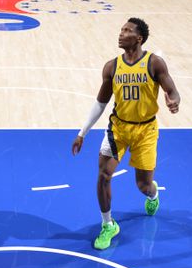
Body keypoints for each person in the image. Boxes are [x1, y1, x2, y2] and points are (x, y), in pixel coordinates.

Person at [71, 18, 180, 250]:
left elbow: (172, 91)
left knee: (143, 184)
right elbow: (101, 102)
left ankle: (152, 195)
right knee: (103, 175)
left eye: (127, 31)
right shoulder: (112, 67)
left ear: (139, 38)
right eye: (121, 29)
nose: (121, 33)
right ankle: (108, 224)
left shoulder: (154, 63)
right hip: (118, 128)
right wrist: (82, 133)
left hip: (146, 131)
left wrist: (174, 101)